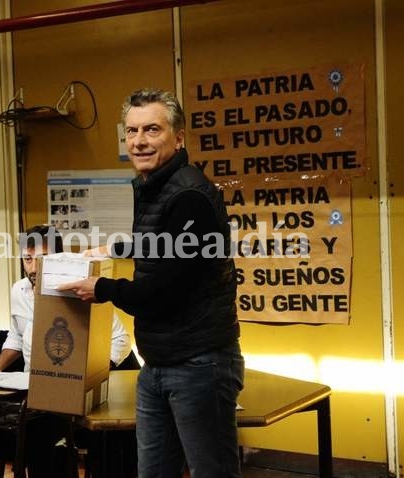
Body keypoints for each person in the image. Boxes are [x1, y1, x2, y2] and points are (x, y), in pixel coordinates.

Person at [57, 88, 245, 478]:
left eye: (152, 130)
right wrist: (113, 248)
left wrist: (102, 290)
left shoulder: (189, 194)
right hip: (157, 362)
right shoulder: (157, 187)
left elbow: (165, 291)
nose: (139, 141)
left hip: (198, 365)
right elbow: (164, 243)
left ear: (178, 138)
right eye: (131, 131)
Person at [0, 223, 132, 374]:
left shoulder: (80, 291)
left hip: (72, 382)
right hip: (31, 384)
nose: (34, 268)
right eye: (28, 259)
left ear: (59, 257)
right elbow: (17, 336)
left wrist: (91, 374)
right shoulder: (19, 290)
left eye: (42, 259)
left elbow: (121, 339)